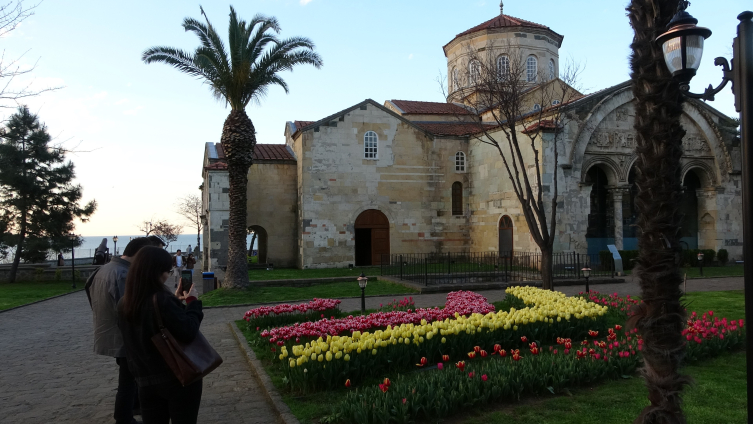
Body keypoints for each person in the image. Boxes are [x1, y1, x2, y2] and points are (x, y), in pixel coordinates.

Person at [118, 246, 203, 424]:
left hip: (145, 379)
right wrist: (192, 303)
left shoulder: (125, 302)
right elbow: (188, 331)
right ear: (157, 271)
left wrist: (174, 300)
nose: (168, 275)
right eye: (168, 270)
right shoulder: (162, 300)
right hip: (177, 377)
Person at [87, 236, 158, 424]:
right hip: (125, 338)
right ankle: (124, 418)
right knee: (128, 381)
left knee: (130, 378)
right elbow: (129, 310)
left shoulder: (104, 270)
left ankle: (132, 409)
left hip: (112, 333)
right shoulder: (123, 275)